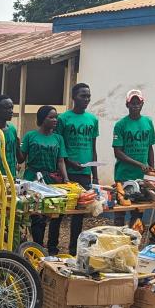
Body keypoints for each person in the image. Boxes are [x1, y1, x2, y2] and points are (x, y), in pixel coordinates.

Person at [54, 82, 100, 255]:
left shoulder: (93, 120)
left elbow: (93, 148)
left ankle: (74, 249)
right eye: (83, 96)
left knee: (79, 214)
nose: (86, 99)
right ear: (74, 97)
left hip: (84, 173)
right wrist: (69, 162)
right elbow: (58, 145)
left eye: (88, 96)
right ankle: (52, 247)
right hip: (66, 173)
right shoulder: (63, 119)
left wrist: (95, 175)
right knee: (59, 212)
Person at [19, 106, 70, 253]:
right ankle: (38, 247)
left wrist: (66, 179)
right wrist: (16, 146)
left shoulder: (58, 138)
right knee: (37, 215)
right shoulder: (30, 136)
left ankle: (53, 246)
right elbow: (21, 158)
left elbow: (60, 161)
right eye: (51, 117)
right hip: (33, 179)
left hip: (51, 179)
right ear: (42, 119)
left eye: (56, 117)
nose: (55, 120)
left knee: (55, 213)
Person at [112, 89, 155, 226]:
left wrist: (152, 169)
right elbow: (118, 152)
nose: (135, 106)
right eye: (132, 103)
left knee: (138, 213)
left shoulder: (148, 122)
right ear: (127, 105)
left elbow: (150, 147)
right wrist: (139, 164)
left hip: (141, 176)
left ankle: (134, 236)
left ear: (142, 104)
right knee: (120, 211)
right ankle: (118, 236)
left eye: (138, 103)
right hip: (124, 176)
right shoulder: (120, 125)